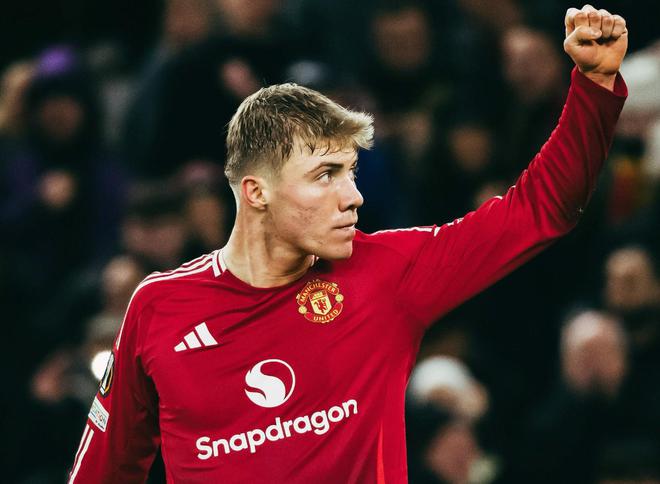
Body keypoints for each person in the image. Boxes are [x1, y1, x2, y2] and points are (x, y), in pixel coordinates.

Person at [68, 5, 629, 483]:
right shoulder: (158, 309)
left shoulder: (386, 274)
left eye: (351, 173)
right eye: (326, 176)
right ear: (257, 191)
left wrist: (594, 88)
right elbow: (101, 474)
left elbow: (540, 210)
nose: (353, 196)